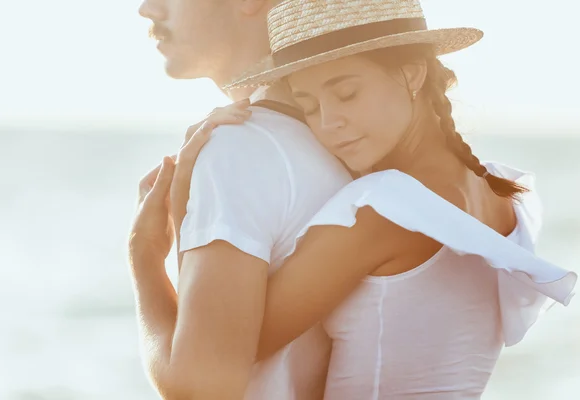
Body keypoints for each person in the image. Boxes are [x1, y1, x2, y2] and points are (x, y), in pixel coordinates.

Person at [146, 0, 578, 398]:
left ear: (412, 73)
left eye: (346, 93)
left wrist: (148, 251)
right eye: (309, 104)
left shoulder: (380, 212)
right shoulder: (499, 190)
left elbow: (209, 372)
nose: (330, 122)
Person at [129, 0, 352, 399]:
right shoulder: (346, 139)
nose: (148, 9)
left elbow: (202, 389)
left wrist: (143, 255)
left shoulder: (239, 147)